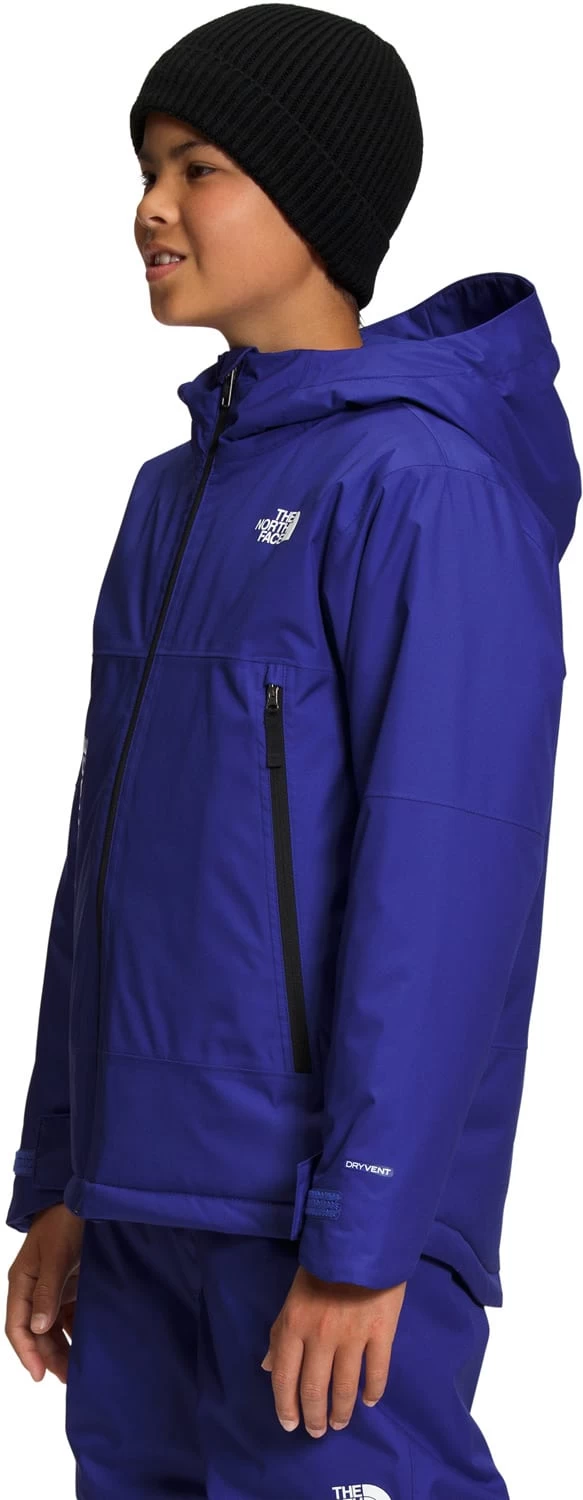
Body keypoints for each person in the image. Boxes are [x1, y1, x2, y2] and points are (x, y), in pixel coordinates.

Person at [4, 5, 580, 1497]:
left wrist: (367, 1232)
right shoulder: (169, 496)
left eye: (197, 167)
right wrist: (63, 1176)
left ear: (315, 201)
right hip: (139, 1217)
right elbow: (107, 865)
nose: (151, 208)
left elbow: (445, 884)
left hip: (319, 1235)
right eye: (145, 169)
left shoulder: (425, 490)